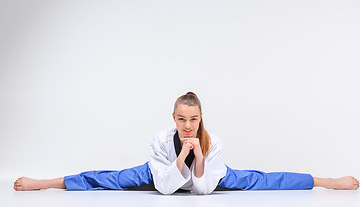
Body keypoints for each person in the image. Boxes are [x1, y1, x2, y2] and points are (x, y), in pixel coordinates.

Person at [13, 92, 359, 194]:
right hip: (160, 173)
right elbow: (164, 188)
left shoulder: (213, 142)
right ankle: (44, 183)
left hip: (210, 175)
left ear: (201, 118)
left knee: (264, 179)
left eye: (194, 119)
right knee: (108, 178)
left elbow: (203, 191)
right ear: (174, 118)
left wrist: (200, 159)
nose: (188, 125)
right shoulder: (161, 141)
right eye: (182, 119)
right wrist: (181, 158)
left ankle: (327, 181)